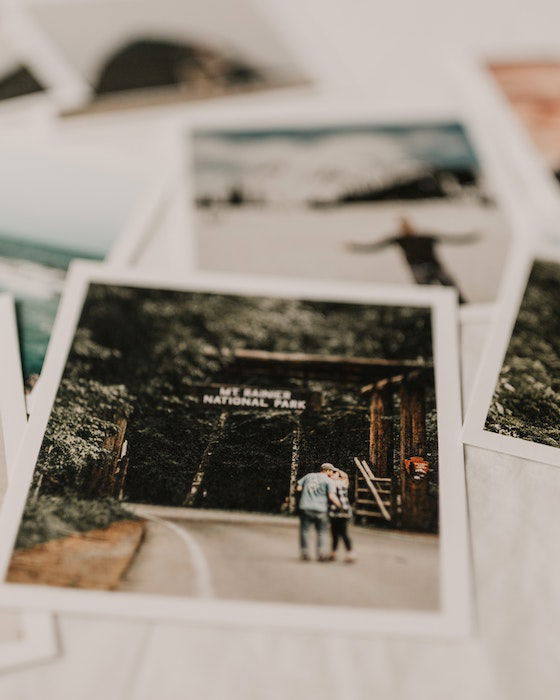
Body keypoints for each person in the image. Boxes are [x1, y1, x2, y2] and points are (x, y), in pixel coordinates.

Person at [345, 216, 479, 303]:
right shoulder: (399, 239)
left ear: (412, 225)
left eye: (407, 225)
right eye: (403, 226)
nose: (405, 228)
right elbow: (374, 246)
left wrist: (472, 237)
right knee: (426, 298)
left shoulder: (426, 236)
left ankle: (467, 309)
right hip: (419, 269)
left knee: (452, 291)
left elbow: (453, 239)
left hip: (435, 267)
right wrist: (354, 247)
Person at [297, 463, 341, 561]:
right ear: (327, 470)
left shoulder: (308, 476)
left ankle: (304, 552)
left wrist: (307, 492)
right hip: (320, 509)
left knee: (305, 530)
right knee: (321, 531)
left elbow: (298, 488)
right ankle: (321, 553)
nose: (332, 473)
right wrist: (339, 505)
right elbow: (331, 496)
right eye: (331, 471)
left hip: (306, 506)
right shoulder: (329, 481)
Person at [328, 469, 354, 563]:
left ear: (339, 475)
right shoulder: (330, 483)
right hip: (334, 512)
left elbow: (345, 475)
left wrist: (337, 470)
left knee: (343, 533)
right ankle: (333, 553)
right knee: (334, 533)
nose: (332, 474)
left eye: (335, 473)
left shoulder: (342, 482)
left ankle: (350, 554)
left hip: (342, 511)